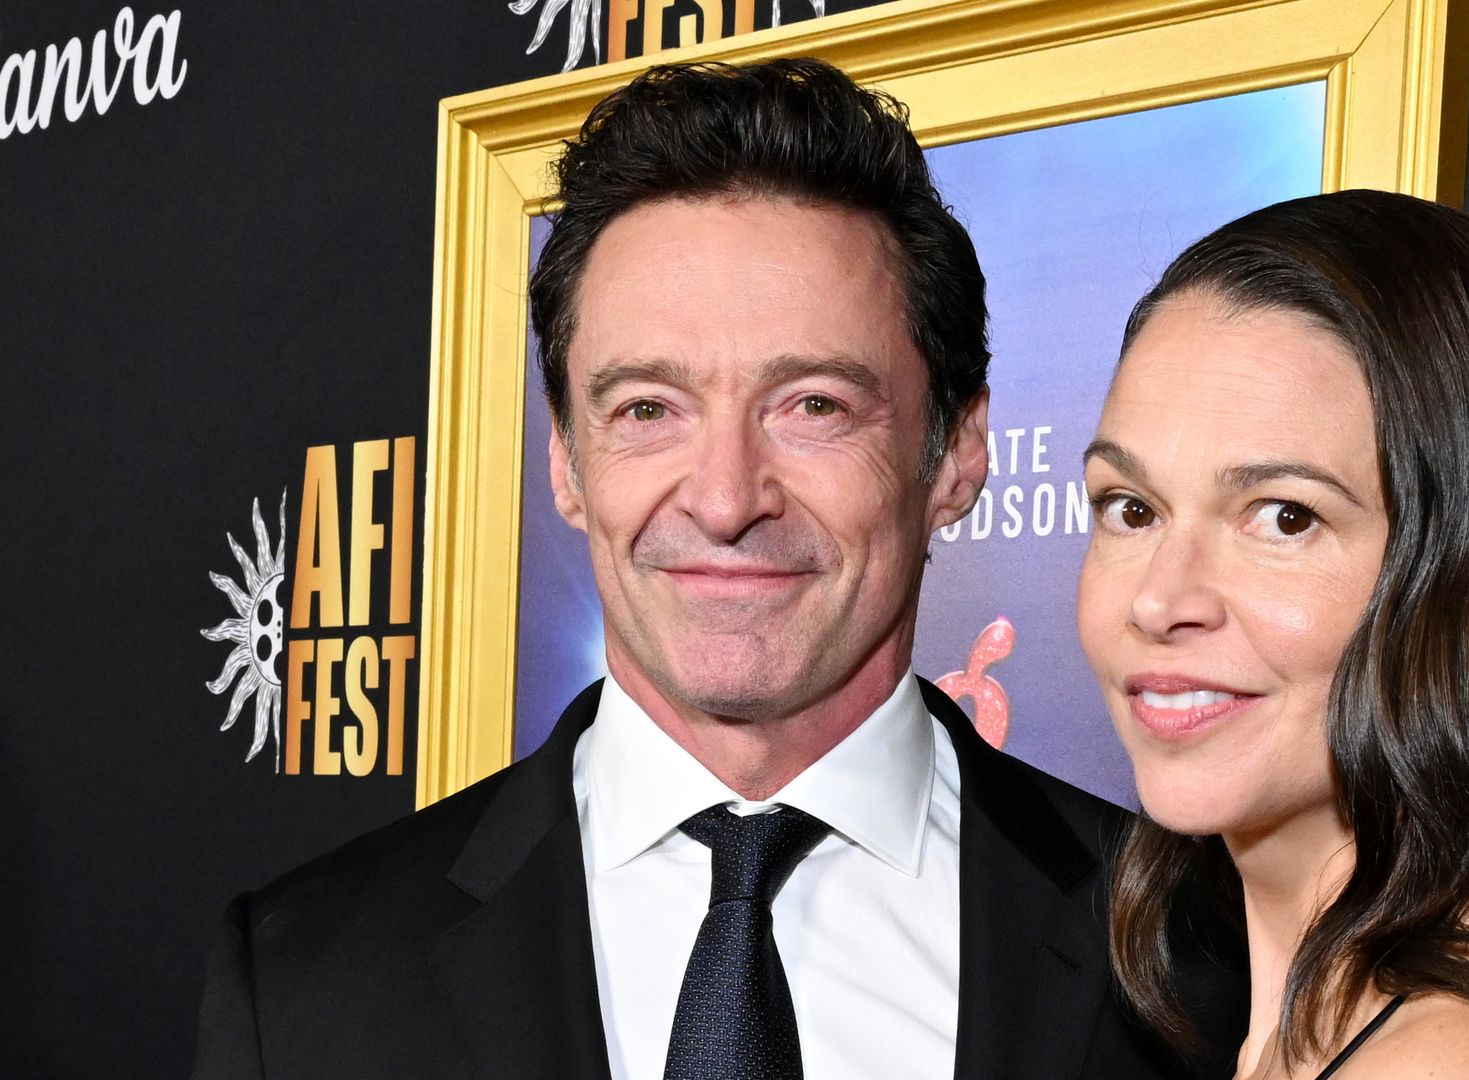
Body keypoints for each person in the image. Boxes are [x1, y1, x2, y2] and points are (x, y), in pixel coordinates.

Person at [189, 59, 1243, 1080]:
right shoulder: (301, 979)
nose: (727, 498)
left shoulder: (1211, 948)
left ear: (957, 456)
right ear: (566, 460)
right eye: (648, 408)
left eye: (815, 406)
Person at [1077, 190, 1469, 1079]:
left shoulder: (1453, 1060)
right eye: (1131, 507)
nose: (1160, 601)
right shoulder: (1355, 1009)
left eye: (1284, 518)